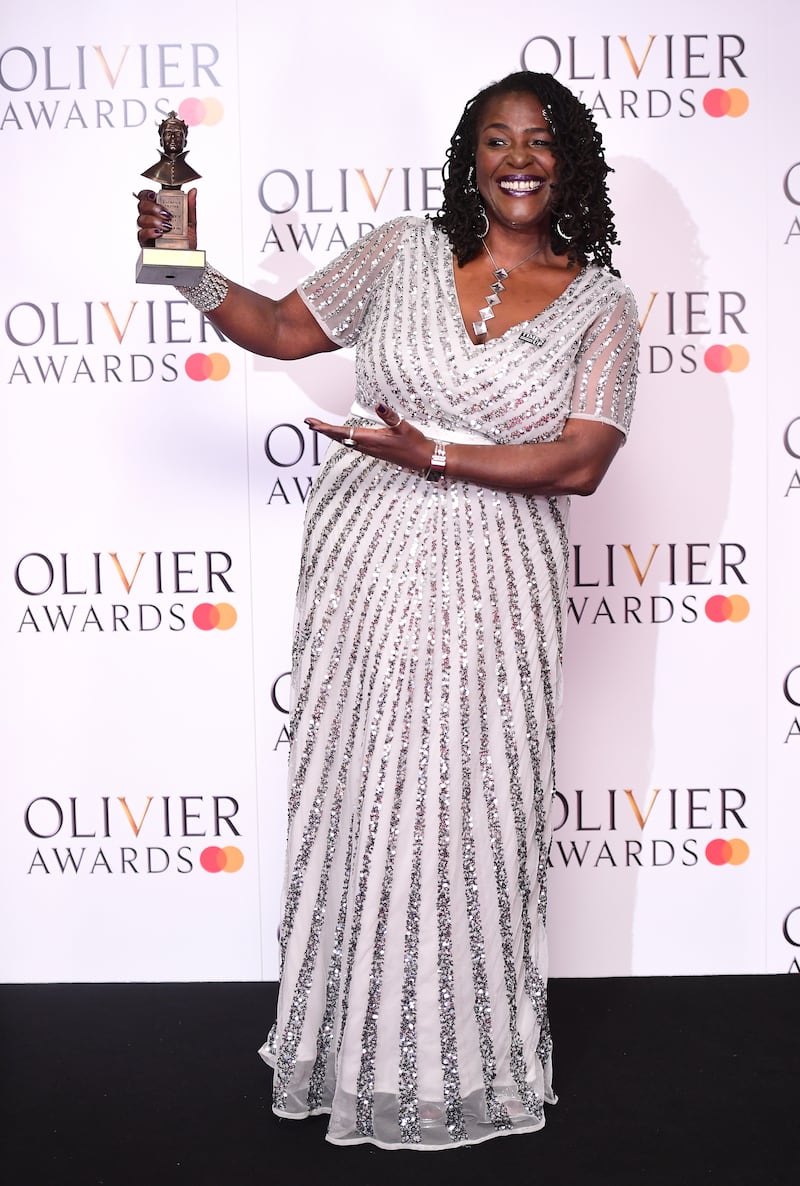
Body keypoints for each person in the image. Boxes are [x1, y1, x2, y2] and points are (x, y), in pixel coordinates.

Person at [136, 69, 638, 1151]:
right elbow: (276, 327)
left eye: (537, 141)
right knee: (362, 794)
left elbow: (582, 460)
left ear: (568, 163)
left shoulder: (600, 302)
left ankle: (458, 1065)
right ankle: (343, 1049)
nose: (515, 158)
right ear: (471, 156)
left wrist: (439, 454)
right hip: (363, 564)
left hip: (496, 588)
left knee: (467, 810)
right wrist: (183, 265)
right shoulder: (405, 248)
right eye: (495, 139)